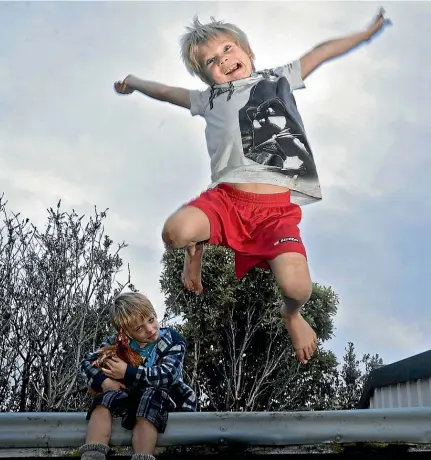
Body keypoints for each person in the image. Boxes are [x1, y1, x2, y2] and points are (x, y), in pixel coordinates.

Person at [113, 9, 390, 364]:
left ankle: (292, 315)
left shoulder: (279, 79)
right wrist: (133, 81)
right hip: (227, 200)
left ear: (248, 51)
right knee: (175, 232)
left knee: (297, 288)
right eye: (212, 60)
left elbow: (320, 53)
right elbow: (166, 92)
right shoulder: (208, 99)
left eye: (228, 49)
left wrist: (364, 35)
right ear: (207, 76)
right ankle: (193, 253)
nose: (224, 60)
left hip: (275, 211)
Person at [78, 292, 196, 460]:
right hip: (128, 399)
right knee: (104, 399)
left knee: (150, 397)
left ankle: (142, 456)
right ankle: (92, 454)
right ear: (125, 332)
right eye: (139, 328)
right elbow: (86, 363)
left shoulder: (172, 340)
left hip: (164, 399)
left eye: (151, 319)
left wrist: (127, 372)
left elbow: (168, 374)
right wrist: (103, 382)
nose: (150, 329)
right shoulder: (118, 343)